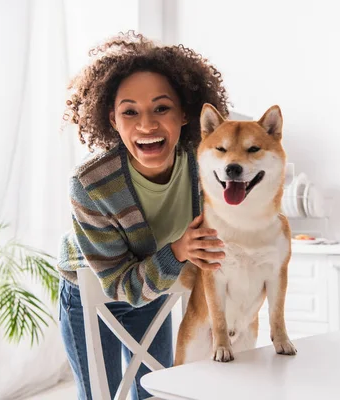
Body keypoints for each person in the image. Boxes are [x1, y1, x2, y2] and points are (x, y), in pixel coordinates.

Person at [57, 30, 229, 400]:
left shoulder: (206, 159)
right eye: (130, 112)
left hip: (155, 278)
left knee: (155, 391)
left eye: (161, 108)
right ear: (112, 120)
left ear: (185, 113)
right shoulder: (91, 184)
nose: (147, 124)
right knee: (97, 394)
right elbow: (121, 286)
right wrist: (179, 250)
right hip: (91, 284)